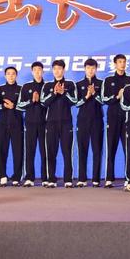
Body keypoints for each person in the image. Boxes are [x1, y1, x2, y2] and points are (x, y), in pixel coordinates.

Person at [40, 60, 77, 188]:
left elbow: (74, 101)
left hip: (66, 123)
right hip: (51, 123)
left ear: (63, 70)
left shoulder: (70, 84)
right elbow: (43, 102)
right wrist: (54, 93)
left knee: (67, 152)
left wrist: (63, 93)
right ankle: (51, 179)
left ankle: (68, 179)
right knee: (51, 152)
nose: (57, 71)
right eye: (55, 69)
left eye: (59, 68)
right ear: (52, 70)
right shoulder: (47, 85)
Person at [101, 54, 130, 187]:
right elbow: (104, 99)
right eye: (120, 62)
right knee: (111, 148)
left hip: (127, 119)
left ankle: (129, 178)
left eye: (124, 62)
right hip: (113, 119)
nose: (122, 64)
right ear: (115, 64)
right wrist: (117, 96)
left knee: (128, 149)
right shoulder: (108, 80)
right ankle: (109, 178)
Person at [74, 58, 104, 187]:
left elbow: (103, 101)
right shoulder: (79, 84)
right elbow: (76, 103)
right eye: (88, 68)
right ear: (84, 69)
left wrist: (94, 93)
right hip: (82, 120)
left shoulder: (101, 83)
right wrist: (86, 96)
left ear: (96, 69)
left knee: (97, 150)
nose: (90, 70)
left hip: (97, 120)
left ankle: (96, 179)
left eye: (93, 68)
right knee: (82, 149)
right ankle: (82, 178)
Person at [17, 61, 47, 187]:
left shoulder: (47, 86)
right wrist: (31, 101)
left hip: (45, 123)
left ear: (43, 71)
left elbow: (50, 103)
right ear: (32, 72)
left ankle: (45, 178)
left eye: (39, 70)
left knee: (45, 151)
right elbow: (19, 105)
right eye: (35, 70)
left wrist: (40, 101)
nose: (37, 72)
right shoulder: (26, 87)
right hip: (30, 123)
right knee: (30, 151)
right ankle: (29, 177)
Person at [0, 66, 23, 187]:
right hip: (2, 124)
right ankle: (2, 176)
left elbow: (25, 105)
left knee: (18, 151)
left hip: (17, 124)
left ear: (16, 75)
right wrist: (3, 106)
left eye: (13, 74)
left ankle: (17, 177)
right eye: (8, 74)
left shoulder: (21, 89)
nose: (11, 76)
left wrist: (14, 106)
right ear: (5, 75)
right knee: (2, 150)